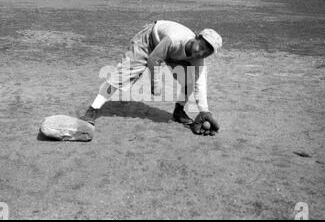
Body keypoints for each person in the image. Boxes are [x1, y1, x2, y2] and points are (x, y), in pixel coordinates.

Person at [80, 20, 222, 136]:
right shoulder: (175, 39)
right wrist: (155, 84)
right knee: (122, 75)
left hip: (171, 53)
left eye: (206, 53)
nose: (201, 53)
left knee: (190, 78)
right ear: (197, 37)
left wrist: (204, 111)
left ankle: (179, 111)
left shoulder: (198, 60)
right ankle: (92, 109)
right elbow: (154, 59)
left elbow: (199, 84)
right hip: (149, 41)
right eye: (201, 47)